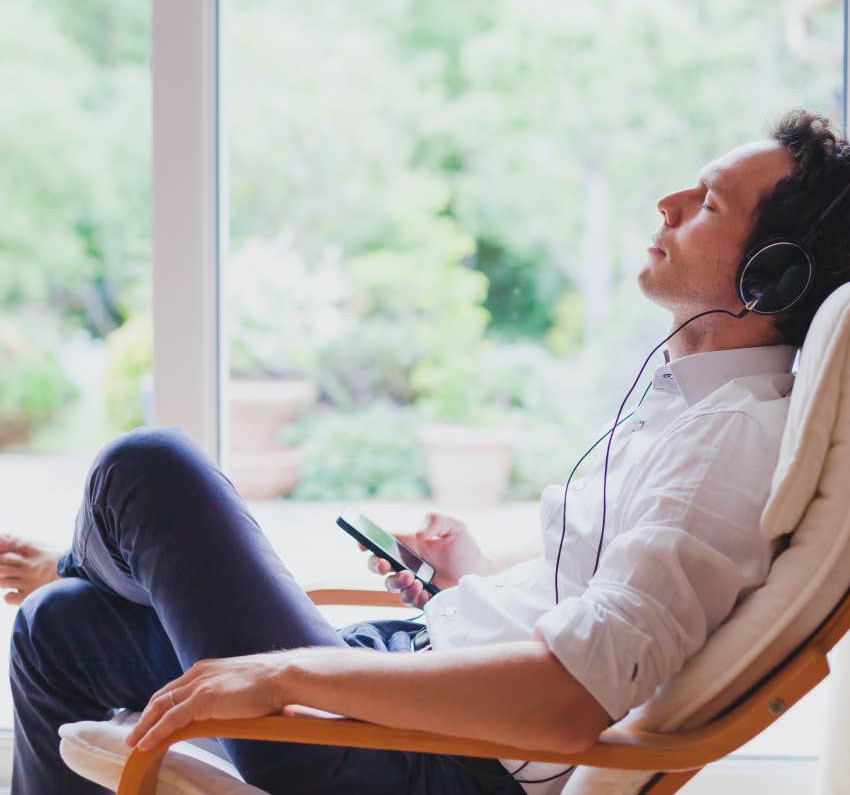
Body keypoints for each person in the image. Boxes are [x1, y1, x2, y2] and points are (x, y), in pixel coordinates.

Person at [5, 109, 850, 795]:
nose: (667, 202)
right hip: (411, 677)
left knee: (147, 470)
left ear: (771, 276)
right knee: (60, 630)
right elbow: (596, 610)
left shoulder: (727, 440)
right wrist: (473, 580)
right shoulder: (688, 408)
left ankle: (96, 564)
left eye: (708, 203)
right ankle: (93, 576)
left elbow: (569, 703)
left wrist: (286, 677)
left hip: (423, 760)